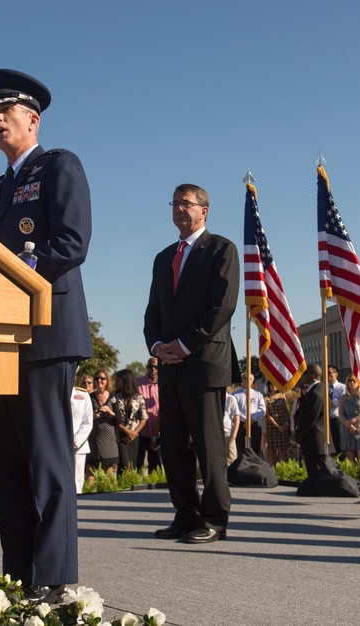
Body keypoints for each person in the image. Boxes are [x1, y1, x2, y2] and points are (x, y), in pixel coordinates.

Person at [0, 68, 93, 599]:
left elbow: (70, 242)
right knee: (9, 463)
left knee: (46, 460)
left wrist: (16, 273)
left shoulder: (59, 166)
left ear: (32, 118)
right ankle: (18, 571)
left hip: (45, 333)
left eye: (5, 111)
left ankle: (52, 577)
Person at [144, 183, 240, 545]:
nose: (179, 209)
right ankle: (185, 515)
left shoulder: (221, 250)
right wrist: (157, 346)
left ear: (204, 211)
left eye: (186, 204)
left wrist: (185, 345)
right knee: (174, 446)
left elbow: (222, 307)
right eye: (174, 203)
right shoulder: (163, 257)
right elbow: (153, 310)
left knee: (208, 445)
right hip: (169, 366)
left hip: (203, 363)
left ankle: (215, 518)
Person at [109, 369, 147, 472]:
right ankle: (122, 485)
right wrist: (127, 432)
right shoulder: (113, 397)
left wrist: (134, 433)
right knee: (124, 464)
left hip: (134, 435)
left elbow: (144, 417)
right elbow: (112, 418)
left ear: (126, 381)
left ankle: (131, 484)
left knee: (134, 463)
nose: (115, 382)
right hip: (120, 434)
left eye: (118, 380)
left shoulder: (138, 397)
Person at [294, 364, 328, 475]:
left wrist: (298, 435)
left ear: (312, 376)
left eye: (305, 374)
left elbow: (310, 418)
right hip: (314, 441)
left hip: (315, 441)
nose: (303, 376)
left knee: (315, 474)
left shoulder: (315, 393)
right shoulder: (317, 390)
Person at [87, 369, 119, 477]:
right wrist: (92, 417)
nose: (99, 381)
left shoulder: (113, 398)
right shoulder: (89, 397)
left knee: (108, 474)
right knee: (90, 473)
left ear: (107, 381)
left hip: (109, 440)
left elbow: (119, 421)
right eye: (96, 378)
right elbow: (82, 418)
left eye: (102, 378)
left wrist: (110, 412)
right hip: (93, 439)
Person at [338, 374, 360, 461]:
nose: (352, 382)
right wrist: (349, 424)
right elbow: (341, 414)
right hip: (348, 427)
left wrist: (354, 420)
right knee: (350, 453)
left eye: (354, 380)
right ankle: (352, 472)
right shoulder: (343, 398)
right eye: (350, 380)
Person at [136, 358, 161, 474]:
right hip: (141, 431)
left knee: (156, 465)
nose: (153, 369)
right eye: (150, 366)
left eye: (156, 367)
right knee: (138, 463)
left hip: (159, 431)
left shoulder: (164, 384)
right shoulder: (138, 383)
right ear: (147, 367)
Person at [233, 373, 265, 457]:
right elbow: (234, 410)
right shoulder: (235, 395)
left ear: (252, 381)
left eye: (249, 378)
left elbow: (262, 410)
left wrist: (252, 419)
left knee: (254, 450)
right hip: (241, 425)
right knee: (241, 450)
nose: (246, 380)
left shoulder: (258, 395)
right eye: (244, 378)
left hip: (254, 425)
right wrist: (244, 420)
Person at [70, 385, 93, 494]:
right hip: (57, 444)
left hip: (77, 445)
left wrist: (76, 440)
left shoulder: (83, 395)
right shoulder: (53, 392)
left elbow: (88, 423)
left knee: (76, 482)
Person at [263, 382, 291, 464]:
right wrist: (277, 425)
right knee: (273, 449)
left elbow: (287, 411)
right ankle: (274, 468)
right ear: (269, 386)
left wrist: (285, 423)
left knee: (283, 449)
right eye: (271, 385)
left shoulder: (282, 395)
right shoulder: (266, 398)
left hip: (283, 424)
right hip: (272, 426)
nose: (273, 386)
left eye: (275, 384)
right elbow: (267, 414)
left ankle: (284, 468)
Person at [326, 365, 345, 454]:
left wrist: (329, 403)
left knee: (339, 445)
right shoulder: (323, 388)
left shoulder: (342, 388)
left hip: (337, 420)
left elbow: (339, 403)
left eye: (330, 373)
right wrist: (331, 403)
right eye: (326, 373)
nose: (328, 375)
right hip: (325, 421)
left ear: (336, 374)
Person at [223, 387, 241, 468]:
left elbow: (237, 418)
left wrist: (233, 436)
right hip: (216, 435)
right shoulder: (214, 400)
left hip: (228, 434)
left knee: (232, 460)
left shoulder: (230, 399)